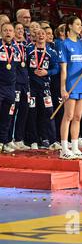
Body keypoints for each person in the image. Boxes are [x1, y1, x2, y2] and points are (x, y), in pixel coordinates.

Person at [59, 16, 82, 160]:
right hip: (71, 84)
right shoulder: (64, 44)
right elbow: (64, 69)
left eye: (81, 24)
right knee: (68, 116)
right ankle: (64, 149)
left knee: (78, 117)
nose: (80, 27)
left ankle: (75, 147)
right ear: (70, 26)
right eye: (77, 24)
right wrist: (63, 89)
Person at [25, 28, 59, 149]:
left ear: (46, 36)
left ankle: (50, 140)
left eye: (43, 34)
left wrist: (47, 72)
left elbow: (56, 69)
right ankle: (33, 140)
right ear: (34, 36)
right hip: (31, 87)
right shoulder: (28, 50)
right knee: (32, 113)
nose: (40, 36)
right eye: (38, 34)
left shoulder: (51, 52)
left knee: (49, 112)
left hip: (45, 87)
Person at [6, 22, 31, 150]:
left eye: (22, 29)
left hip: (25, 84)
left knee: (24, 110)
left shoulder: (26, 46)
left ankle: (19, 139)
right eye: (18, 29)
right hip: (14, 84)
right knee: (12, 112)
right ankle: (9, 139)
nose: (21, 31)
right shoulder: (10, 47)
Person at [0, 22, 20, 153]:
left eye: (10, 30)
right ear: (1, 32)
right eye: (5, 30)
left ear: (13, 33)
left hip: (11, 89)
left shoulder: (16, 50)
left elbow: (18, 69)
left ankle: (3, 141)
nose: (8, 32)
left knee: (7, 116)